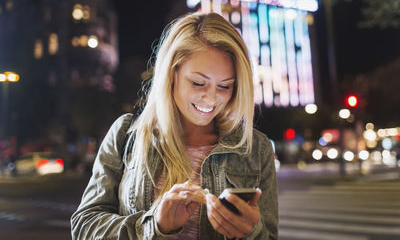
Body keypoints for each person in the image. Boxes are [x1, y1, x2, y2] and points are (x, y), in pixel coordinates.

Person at [71, 12, 278, 239]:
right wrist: (155, 226)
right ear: (172, 73)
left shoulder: (256, 148)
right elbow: (84, 227)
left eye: (225, 86)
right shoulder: (126, 135)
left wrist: (251, 232)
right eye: (198, 83)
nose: (210, 99)